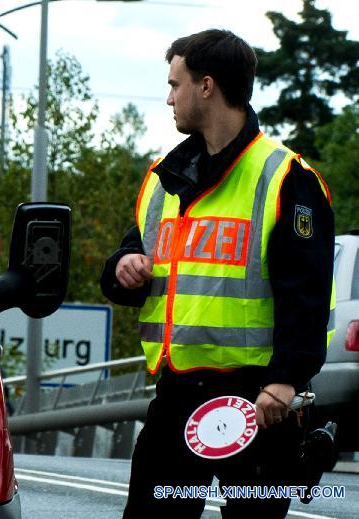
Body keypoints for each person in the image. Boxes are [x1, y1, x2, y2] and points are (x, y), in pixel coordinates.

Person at [100, 29, 335, 518]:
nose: (169, 98)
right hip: (177, 393)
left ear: (207, 86)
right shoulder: (166, 176)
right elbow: (131, 254)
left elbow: (308, 294)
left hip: (257, 401)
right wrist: (123, 267)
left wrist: (285, 380)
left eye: (175, 84)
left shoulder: (285, 177)